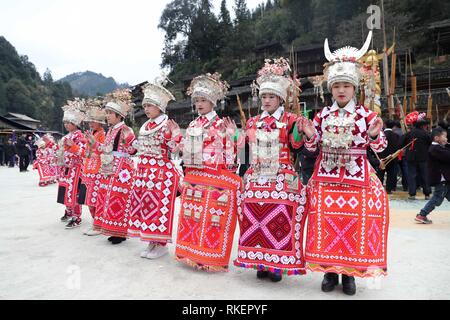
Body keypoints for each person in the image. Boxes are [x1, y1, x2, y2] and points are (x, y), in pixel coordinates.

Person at [298, 31, 390, 295]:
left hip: (356, 177)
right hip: (326, 177)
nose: (341, 90)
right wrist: (309, 136)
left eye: (346, 86)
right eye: (337, 86)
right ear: (331, 89)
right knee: (326, 224)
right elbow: (311, 149)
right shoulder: (322, 115)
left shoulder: (366, 115)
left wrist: (374, 135)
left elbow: (381, 148)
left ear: (354, 88)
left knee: (353, 227)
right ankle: (329, 271)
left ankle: (349, 274)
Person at [233, 58, 308, 282]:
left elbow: (296, 146)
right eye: (264, 96)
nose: (266, 101)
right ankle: (258, 260)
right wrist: (239, 147)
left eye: (271, 97)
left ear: (280, 98)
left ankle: (276, 264)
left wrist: (300, 131)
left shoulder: (291, 119)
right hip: (256, 174)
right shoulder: (252, 122)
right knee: (254, 216)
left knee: (280, 217)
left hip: (281, 172)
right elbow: (245, 154)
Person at [174, 73, 241, 272]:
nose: (200, 104)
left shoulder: (221, 124)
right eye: (197, 101)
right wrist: (178, 139)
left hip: (215, 177)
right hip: (194, 176)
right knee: (192, 216)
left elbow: (231, 153)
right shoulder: (194, 125)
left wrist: (232, 138)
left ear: (212, 101)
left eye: (203, 100)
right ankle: (190, 253)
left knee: (213, 219)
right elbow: (185, 149)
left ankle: (210, 257)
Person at [128, 77, 183, 259]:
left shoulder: (167, 124)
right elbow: (137, 147)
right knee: (146, 207)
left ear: (159, 106)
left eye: (149, 105)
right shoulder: (146, 126)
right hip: (144, 172)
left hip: (161, 174)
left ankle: (160, 245)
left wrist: (175, 137)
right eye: (145, 106)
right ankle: (151, 242)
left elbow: (175, 146)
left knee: (159, 208)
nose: (146, 109)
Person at [91, 89, 136, 245]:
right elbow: (105, 148)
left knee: (119, 198)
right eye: (107, 112)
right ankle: (111, 228)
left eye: (110, 113)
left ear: (119, 115)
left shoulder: (126, 130)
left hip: (122, 170)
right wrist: (94, 143)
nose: (107, 115)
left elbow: (133, 150)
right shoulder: (111, 130)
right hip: (109, 168)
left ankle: (120, 232)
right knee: (108, 198)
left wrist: (129, 143)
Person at [57, 99, 88, 229]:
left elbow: (83, 152)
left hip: (76, 169)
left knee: (74, 192)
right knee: (65, 190)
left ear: (75, 123)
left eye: (68, 122)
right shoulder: (66, 136)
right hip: (66, 168)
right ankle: (69, 211)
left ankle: (76, 216)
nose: (66, 125)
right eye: (64, 122)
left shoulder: (80, 136)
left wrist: (73, 146)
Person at [78, 99, 106, 236]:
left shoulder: (103, 135)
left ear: (100, 121)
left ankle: (98, 225)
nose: (90, 124)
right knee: (89, 199)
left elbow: (103, 151)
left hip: (97, 170)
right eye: (89, 121)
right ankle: (95, 222)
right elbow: (86, 152)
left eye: (93, 121)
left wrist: (93, 145)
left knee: (96, 198)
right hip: (88, 169)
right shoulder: (93, 134)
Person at [415, 127, 450, 224]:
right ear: (436, 138)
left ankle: (422, 214)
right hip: (441, 180)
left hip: (445, 180)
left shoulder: (439, 148)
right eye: (445, 137)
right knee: (436, 199)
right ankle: (422, 214)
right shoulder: (435, 148)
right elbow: (447, 156)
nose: (446, 139)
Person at [402, 111, 432, 200]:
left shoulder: (409, 133)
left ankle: (412, 194)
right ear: (422, 125)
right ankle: (427, 193)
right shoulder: (426, 134)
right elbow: (430, 144)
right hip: (423, 158)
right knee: (425, 175)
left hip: (411, 157)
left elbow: (401, 143)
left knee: (412, 175)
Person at [377, 119, 401, 194]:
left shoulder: (381, 134)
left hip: (382, 157)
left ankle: (379, 188)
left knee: (380, 173)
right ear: (393, 126)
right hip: (393, 157)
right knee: (391, 174)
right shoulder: (396, 135)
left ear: (384, 125)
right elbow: (398, 146)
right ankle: (389, 189)